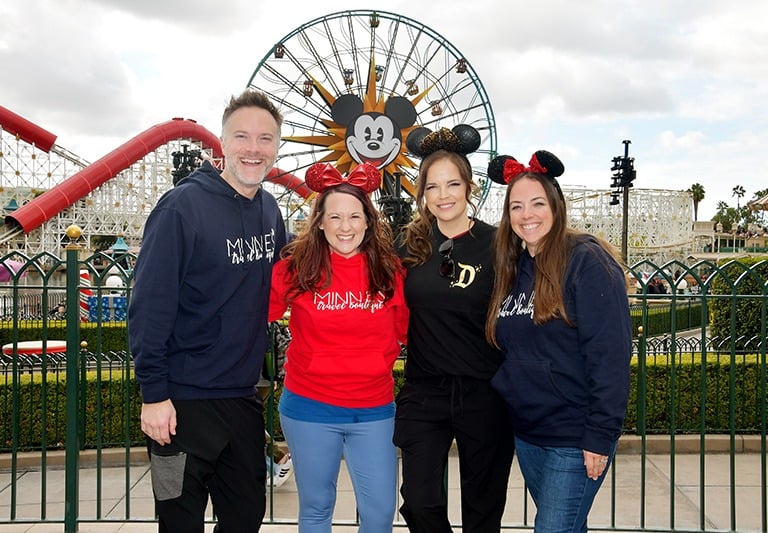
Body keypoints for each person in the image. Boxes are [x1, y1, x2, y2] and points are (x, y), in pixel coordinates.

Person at [129, 88, 288, 533]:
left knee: (245, 517)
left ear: (277, 147)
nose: (253, 149)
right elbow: (148, 307)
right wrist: (153, 396)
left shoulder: (269, 209)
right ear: (222, 142)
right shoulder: (181, 208)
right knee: (178, 522)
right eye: (242, 136)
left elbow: (299, 271)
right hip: (179, 405)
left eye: (265, 139)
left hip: (240, 398)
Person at [485, 150, 632, 533]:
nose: (526, 214)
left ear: (556, 205)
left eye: (537, 203)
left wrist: (600, 434)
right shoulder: (515, 269)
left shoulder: (587, 261)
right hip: (529, 434)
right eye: (516, 206)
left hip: (574, 435)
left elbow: (610, 356)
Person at [268, 162, 408, 532]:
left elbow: (414, 332)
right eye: (334, 217)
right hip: (309, 407)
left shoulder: (389, 271)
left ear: (368, 221)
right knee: (316, 508)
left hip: (373, 409)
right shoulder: (294, 268)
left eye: (354, 216)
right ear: (319, 222)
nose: (345, 227)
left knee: (379, 514)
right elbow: (248, 314)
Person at [394, 126, 514, 533]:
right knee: (419, 502)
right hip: (425, 390)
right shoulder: (407, 244)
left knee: (483, 509)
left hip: (485, 390)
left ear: (469, 186)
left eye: (452, 184)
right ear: (422, 192)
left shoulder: (498, 244)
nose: (443, 195)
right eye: (432, 186)